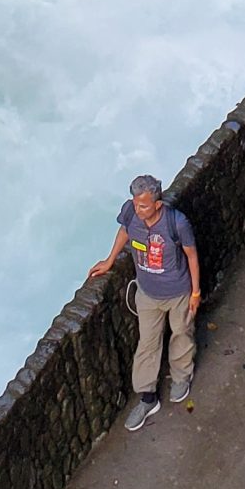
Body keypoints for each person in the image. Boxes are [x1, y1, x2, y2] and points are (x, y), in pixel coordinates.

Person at [87, 172, 201, 431]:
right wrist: (109, 260)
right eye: (136, 204)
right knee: (147, 344)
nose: (138, 210)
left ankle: (182, 376)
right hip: (148, 294)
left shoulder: (177, 223)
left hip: (177, 292)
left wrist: (195, 293)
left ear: (157, 204)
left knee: (181, 333)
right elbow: (124, 231)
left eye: (144, 205)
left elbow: (191, 256)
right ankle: (148, 398)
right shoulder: (130, 213)